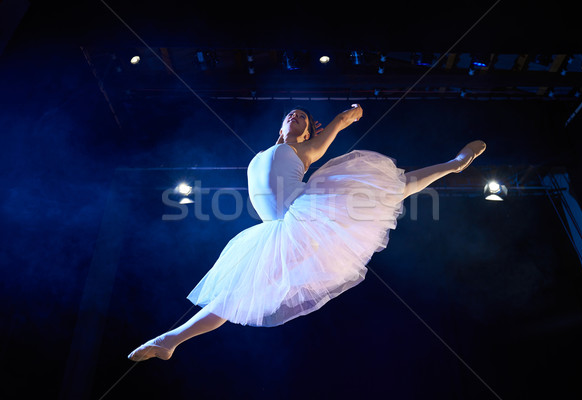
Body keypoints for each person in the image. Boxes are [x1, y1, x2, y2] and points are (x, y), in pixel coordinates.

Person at [128, 104, 486, 361]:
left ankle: (454, 165)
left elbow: (340, 123)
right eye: (291, 113)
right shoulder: (267, 151)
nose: (295, 116)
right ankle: (171, 339)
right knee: (235, 297)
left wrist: (351, 113)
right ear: (280, 125)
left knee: (393, 186)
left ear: (307, 131)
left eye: (302, 117)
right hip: (276, 229)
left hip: (306, 215)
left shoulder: (305, 149)